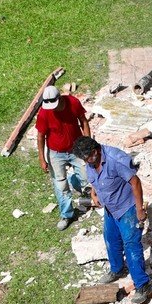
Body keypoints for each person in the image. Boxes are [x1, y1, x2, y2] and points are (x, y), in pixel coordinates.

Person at [72, 136, 152, 304]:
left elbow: (135, 183)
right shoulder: (91, 161)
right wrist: (94, 193)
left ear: (95, 151)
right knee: (111, 239)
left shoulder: (116, 159)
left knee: (131, 245)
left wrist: (139, 209)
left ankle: (142, 285)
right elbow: (94, 178)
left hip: (127, 208)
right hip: (110, 209)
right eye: (84, 160)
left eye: (87, 158)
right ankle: (117, 269)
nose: (86, 162)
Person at [34, 84, 91, 230]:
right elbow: (40, 137)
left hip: (76, 148)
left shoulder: (73, 102)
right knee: (61, 186)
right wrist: (42, 158)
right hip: (56, 153)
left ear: (60, 98)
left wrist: (88, 144)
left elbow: (83, 121)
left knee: (87, 177)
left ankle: (87, 201)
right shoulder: (44, 113)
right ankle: (67, 215)